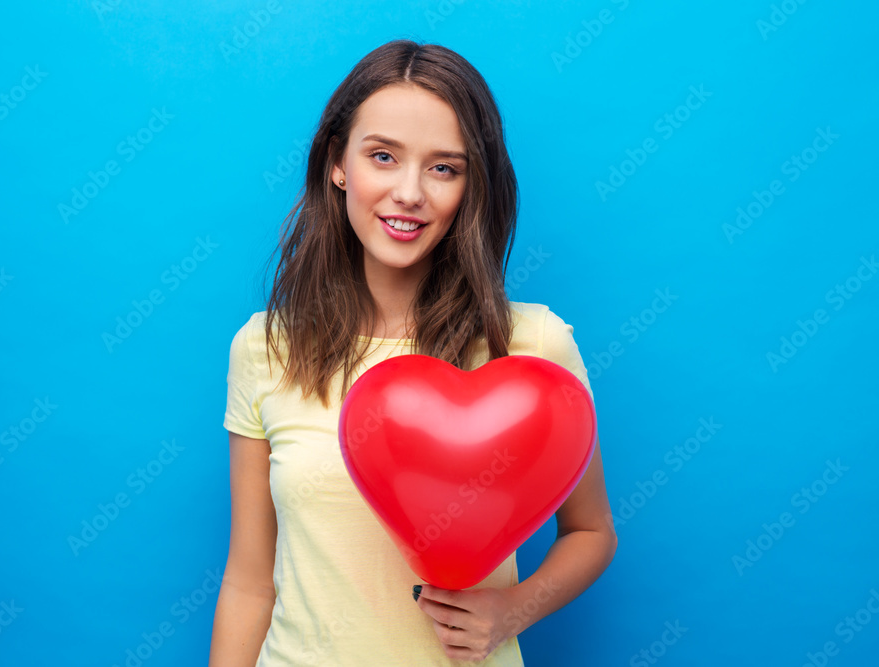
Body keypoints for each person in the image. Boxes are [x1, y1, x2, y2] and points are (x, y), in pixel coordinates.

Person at [209, 39, 617, 666]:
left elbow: (591, 533)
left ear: (471, 187)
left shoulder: (532, 344)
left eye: (443, 168)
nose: (409, 193)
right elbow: (247, 579)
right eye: (382, 156)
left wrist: (512, 611)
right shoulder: (266, 348)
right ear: (337, 165)